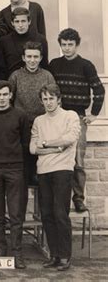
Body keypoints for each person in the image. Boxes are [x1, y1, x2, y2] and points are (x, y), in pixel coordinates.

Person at [49, 28, 105, 212]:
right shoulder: (55, 64)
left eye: (70, 45)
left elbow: (99, 90)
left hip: (79, 117)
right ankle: (59, 199)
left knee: (77, 160)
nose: (66, 48)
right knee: (56, 157)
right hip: (58, 116)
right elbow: (49, 91)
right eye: (63, 45)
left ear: (77, 45)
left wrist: (94, 114)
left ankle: (78, 198)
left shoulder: (86, 65)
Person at [30, 83, 81, 271]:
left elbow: (69, 139)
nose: (48, 102)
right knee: (47, 214)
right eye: (45, 99)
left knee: (60, 213)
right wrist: (55, 148)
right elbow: (32, 148)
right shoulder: (38, 121)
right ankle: (54, 255)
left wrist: (45, 144)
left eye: (52, 98)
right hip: (44, 171)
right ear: (41, 101)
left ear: (58, 99)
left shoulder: (70, 116)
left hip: (63, 170)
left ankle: (65, 256)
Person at [0, 80, 30, 269]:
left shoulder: (20, 115)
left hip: (15, 168)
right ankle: (0, 249)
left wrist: (20, 165)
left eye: (5, 94)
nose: (2, 98)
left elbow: (26, 143)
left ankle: (17, 252)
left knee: (16, 212)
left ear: (10, 95)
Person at [9, 41, 55, 185]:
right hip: (21, 124)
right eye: (29, 56)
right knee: (23, 159)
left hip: (42, 124)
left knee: (40, 159)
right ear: (23, 58)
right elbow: (8, 98)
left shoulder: (47, 76)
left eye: (35, 57)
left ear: (41, 58)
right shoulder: (15, 76)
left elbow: (54, 99)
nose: (32, 60)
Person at [0, 7, 48, 77]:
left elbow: (44, 65)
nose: (20, 25)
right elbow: (2, 69)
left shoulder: (40, 39)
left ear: (29, 21)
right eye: (17, 21)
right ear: (12, 23)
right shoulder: (4, 41)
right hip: (12, 81)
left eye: (23, 21)